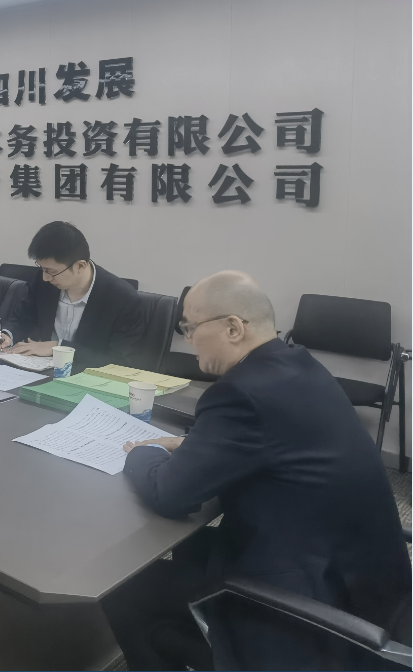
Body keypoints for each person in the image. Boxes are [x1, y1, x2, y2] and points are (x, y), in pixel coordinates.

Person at [104, 272, 410, 671]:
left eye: (190, 328)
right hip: (366, 586)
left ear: (233, 328)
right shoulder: (297, 365)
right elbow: (270, 438)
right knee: (185, 551)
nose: (188, 340)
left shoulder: (240, 392)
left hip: (312, 611)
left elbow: (169, 494)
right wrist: (195, 445)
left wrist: (141, 451)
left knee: (124, 590)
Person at [0, 221, 144, 369]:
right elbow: (22, 318)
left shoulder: (122, 299)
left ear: (80, 266)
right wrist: (6, 335)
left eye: (52, 272)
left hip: (86, 378)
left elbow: (119, 362)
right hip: (41, 370)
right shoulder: (45, 281)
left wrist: (59, 347)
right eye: (42, 269)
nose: (45, 277)